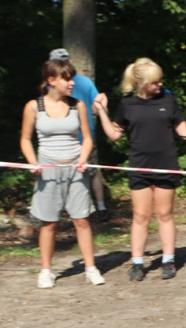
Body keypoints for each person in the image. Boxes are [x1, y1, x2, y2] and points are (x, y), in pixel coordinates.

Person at [93, 58, 186, 281]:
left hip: (166, 167)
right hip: (139, 167)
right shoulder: (127, 105)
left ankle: (168, 260)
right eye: (155, 81)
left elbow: (183, 132)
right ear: (141, 82)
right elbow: (114, 135)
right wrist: (102, 111)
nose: (160, 85)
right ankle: (136, 264)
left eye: (160, 80)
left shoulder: (168, 101)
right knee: (140, 216)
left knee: (164, 214)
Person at [19, 59, 105, 289]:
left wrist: (84, 157)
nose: (71, 83)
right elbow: (25, 139)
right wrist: (32, 162)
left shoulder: (78, 105)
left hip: (76, 170)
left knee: (82, 221)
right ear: (51, 80)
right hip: (48, 171)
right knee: (49, 223)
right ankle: (46, 271)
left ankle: (91, 268)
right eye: (66, 78)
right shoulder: (33, 107)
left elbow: (87, 138)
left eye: (71, 78)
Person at [49, 48, 109, 220]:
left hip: (85, 137)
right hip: (63, 139)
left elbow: (96, 108)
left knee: (92, 171)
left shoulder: (82, 82)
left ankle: (99, 207)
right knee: (84, 173)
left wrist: (101, 105)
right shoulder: (52, 85)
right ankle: (92, 207)